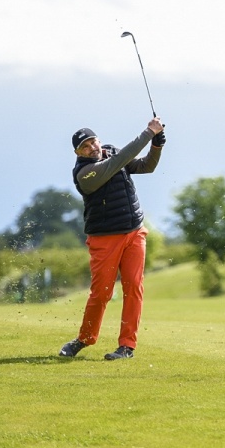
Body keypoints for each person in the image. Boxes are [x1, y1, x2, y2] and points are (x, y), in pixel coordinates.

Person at [59, 117, 166, 360]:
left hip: (134, 232)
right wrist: (148, 132)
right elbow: (118, 162)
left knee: (133, 287)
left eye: (92, 142)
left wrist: (156, 145)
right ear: (78, 153)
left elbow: (146, 166)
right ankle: (84, 339)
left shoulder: (112, 151)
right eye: (84, 147)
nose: (92, 148)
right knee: (101, 292)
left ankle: (127, 346)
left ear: (98, 140)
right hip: (104, 238)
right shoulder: (84, 174)